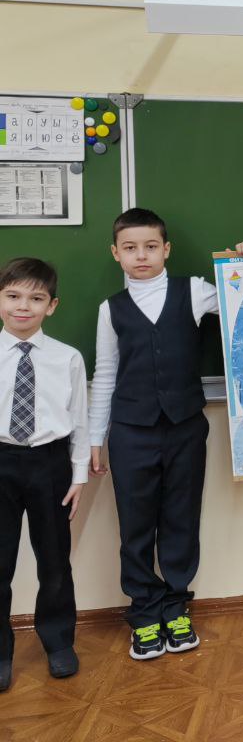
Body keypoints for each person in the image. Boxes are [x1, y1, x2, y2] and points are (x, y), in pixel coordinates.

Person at [89, 209, 243, 660]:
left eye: (150, 246)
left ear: (166, 249)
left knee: (181, 517)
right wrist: (95, 438)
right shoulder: (111, 309)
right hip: (130, 432)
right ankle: (144, 613)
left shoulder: (194, 291)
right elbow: (105, 374)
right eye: (130, 248)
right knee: (136, 524)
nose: (141, 255)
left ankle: (176, 606)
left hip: (185, 428)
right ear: (116, 254)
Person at [0, 258, 87, 690]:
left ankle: (58, 642)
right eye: (13, 296)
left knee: (54, 561)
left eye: (35, 298)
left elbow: (80, 418)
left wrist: (78, 475)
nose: (23, 306)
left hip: (50, 463)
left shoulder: (67, 358)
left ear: (51, 306)